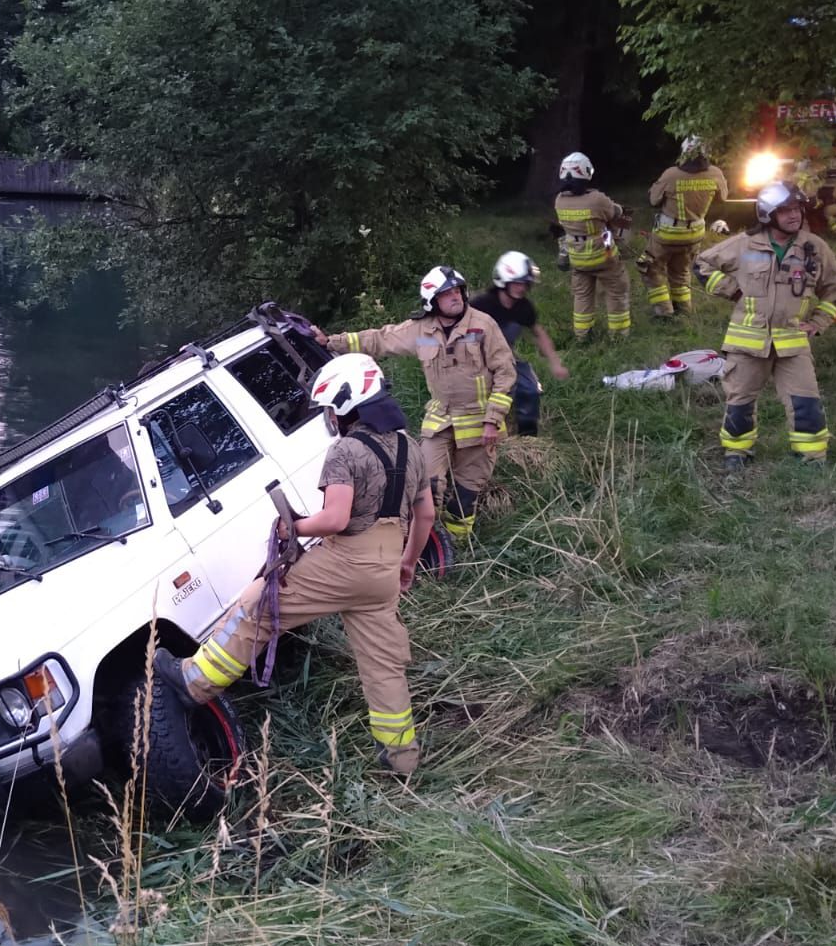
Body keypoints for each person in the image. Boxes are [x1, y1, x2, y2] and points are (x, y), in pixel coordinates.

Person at [154, 353, 435, 775]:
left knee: (260, 610)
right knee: (383, 667)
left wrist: (296, 527)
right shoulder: (411, 449)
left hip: (346, 558)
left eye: (328, 408)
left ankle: (195, 681)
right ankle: (402, 759)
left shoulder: (345, 450)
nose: (328, 417)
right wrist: (408, 563)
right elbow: (426, 514)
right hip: (385, 567)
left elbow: (336, 519)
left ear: (345, 405)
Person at [314, 266, 516, 543]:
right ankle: (425, 539)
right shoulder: (421, 329)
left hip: (481, 422)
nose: (455, 297)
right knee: (425, 482)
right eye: (447, 294)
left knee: (466, 491)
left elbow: (506, 372)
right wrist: (333, 342)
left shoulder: (483, 325)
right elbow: (381, 338)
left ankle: (456, 545)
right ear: (432, 300)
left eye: (458, 291)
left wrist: (494, 419)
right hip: (441, 418)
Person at [694, 182, 836, 469]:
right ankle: (736, 454)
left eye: (797, 209)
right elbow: (702, 264)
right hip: (747, 342)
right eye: (786, 210)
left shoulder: (814, 248)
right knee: (739, 402)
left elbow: (835, 288)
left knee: (806, 401)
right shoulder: (744, 245)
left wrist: (818, 321)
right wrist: (731, 290)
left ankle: (812, 458)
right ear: (768, 214)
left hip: (792, 342)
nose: (795, 215)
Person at [469, 251, 569, 437]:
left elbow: (539, 334)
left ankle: (528, 438)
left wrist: (556, 363)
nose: (521, 288)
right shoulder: (482, 304)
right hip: (476, 359)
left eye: (525, 283)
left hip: (507, 358)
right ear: (503, 280)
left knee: (530, 389)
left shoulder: (524, 307)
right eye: (517, 283)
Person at [642, 136, 729, 317]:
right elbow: (723, 197)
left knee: (649, 268)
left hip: (667, 234)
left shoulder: (671, 174)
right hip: (695, 234)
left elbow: (653, 200)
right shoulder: (715, 173)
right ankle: (683, 311)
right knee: (680, 270)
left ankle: (664, 312)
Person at [553, 151, 632, 339]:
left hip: (577, 257)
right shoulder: (597, 199)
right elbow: (615, 212)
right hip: (602, 255)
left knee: (582, 295)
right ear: (586, 173)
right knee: (616, 290)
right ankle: (619, 335)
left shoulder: (560, 201)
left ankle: (582, 335)